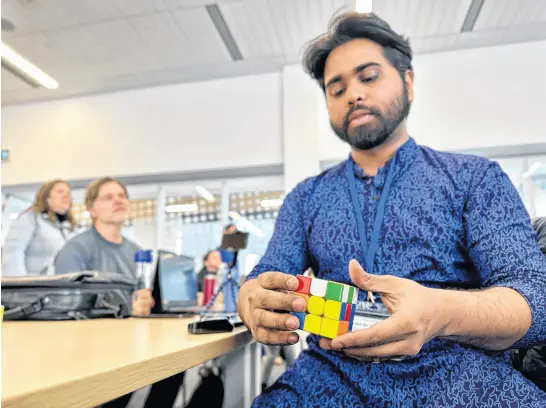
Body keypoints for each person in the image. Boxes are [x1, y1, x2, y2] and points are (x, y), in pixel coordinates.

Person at [237, 12, 546, 407]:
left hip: (457, 374)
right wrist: (251, 296)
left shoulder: (474, 178)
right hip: (328, 377)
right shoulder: (307, 197)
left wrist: (441, 312)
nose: (352, 94)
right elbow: (269, 272)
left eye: (368, 77)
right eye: (336, 89)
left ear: (409, 82)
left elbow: (535, 298)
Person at [55, 177, 185, 408]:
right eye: (108, 197)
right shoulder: (75, 250)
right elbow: (70, 309)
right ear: (91, 209)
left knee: (176, 365)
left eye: (121, 196)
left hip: (129, 344)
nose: (118, 200)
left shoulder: (135, 251)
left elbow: (140, 299)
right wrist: (129, 308)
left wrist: (147, 303)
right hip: (92, 351)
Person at [2, 180, 76, 276]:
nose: (66, 196)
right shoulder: (30, 218)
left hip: (58, 286)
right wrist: (19, 284)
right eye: (60, 192)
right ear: (46, 197)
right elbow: (13, 252)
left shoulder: (66, 226)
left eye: (68, 193)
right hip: (34, 286)